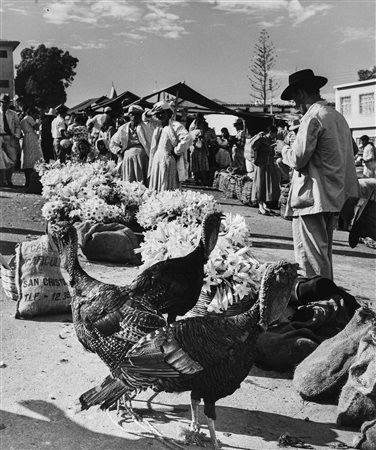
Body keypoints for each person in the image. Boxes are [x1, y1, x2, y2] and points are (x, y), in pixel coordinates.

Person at [280, 68, 359, 280]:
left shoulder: (313, 117)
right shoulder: (337, 117)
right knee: (322, 254)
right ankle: (326, 300)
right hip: (332, 196)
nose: (294, 104)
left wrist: (282, 148)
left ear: (302, 93)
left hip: (312, 197)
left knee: (310, 260)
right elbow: (353, 150)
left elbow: (297, 158)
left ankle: (320, 302)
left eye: (294, 98)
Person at [144, 101, 192, 192]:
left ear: (169, 113)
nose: (160, 115)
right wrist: (151, 112)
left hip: (167, 160)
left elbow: (187, 138)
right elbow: (145, 118)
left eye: (163, 113)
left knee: (166, 185)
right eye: (158, 114)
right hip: (156, 160)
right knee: (156, 186)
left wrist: (177, 150)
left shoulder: (175, 125)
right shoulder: (158, 125)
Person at [109, 105, 153, 185]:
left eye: (137, 114)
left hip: (142, 158)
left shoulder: (145, 127)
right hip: (127, 158)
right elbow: (112, 143)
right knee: (129, 181)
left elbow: (152, 142)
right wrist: (119, 151)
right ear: (129, 115)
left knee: (142, 182)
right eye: (132, 114)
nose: (134, 116)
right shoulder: (123, 128)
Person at [250, 125, 281, 215]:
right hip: (260, 165)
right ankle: (260, 206)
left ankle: (264, 205)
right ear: (271, 132)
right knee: (260, 185)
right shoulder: (261, 139)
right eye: (274, 133)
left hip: (268, 165)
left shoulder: (270, 140)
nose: (275, 136)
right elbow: (253, 147)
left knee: (266, 186)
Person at [0, 94, 21, 187]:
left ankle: (8, 179)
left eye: (7, 103)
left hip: (10, 137)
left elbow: (17, 125)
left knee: (13, 159)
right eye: (3, 103)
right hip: (0, 137)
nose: (5, 105)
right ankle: (2, 180)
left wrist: (16, 135)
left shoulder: (13, 113)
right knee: (1, 160)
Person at [20, 108, 44, 187]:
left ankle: (29, 180)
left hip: (27, 137)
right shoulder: (29, 118)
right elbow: (36, 127)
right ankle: (31, 179)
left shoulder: (23, 119)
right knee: (32, 157)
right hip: (31, 138)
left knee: (27, 158)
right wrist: (39, 122)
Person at [189, 112, 210, 185]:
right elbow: (203, 142)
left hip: (193, 149)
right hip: (200, 150)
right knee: (202, 166)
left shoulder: (191, 132)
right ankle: (203, 180)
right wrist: (207, 150)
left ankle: (197, 180)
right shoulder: (200, 132)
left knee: (195, 165)